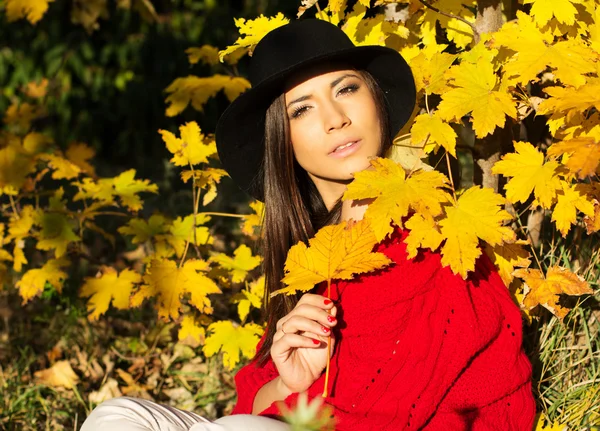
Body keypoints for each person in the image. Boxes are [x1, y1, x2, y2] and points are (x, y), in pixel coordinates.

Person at [81, 19, 536, 431]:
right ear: (284, 140)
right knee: (116, 416)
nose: (336, 120)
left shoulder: (431, 235)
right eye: (302, 109)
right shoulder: (311, 257)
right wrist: (287, 382)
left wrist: (294, 401)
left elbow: (393, 412)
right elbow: (253, 405)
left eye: (346, 90)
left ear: (376, 100)